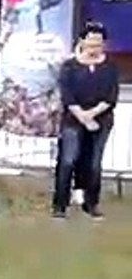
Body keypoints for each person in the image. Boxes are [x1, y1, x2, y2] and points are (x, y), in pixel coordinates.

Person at [52, 21, 119, 220]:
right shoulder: (69, 66)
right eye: (90, 44)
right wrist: (81, 116)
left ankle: (91, 204)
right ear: (82, 42)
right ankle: (60, 205)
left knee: (94, 163)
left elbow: (111, 96)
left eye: (98, 44)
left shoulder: (110, 67)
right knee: (68, 160)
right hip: (73, 119)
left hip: (101, 120)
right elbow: (67, 95)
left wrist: (92, 115)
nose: (94, 48)